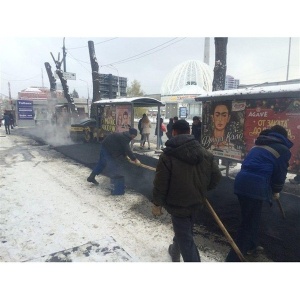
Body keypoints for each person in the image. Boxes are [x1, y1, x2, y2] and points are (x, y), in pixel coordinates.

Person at [151, 120, 222, 262]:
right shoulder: (205, 153)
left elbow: (161, 183)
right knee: (184, 231)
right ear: (189, 132)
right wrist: (202, 189)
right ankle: (175, 252)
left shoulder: (168, 156)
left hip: (177, 204)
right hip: (196, 202)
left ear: (174, 132)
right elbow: (217, 177)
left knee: (186, 239)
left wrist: (156, 204)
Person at [225, 125, 293, 262]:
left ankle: (252, 245)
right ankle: (233, 259)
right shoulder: (283, 149)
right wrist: (276, 190)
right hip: (255, 188)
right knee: (247, 224)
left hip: (241, 183)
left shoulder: (258, 146)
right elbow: (280, 174)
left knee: (251, 217)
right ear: (283, 137)